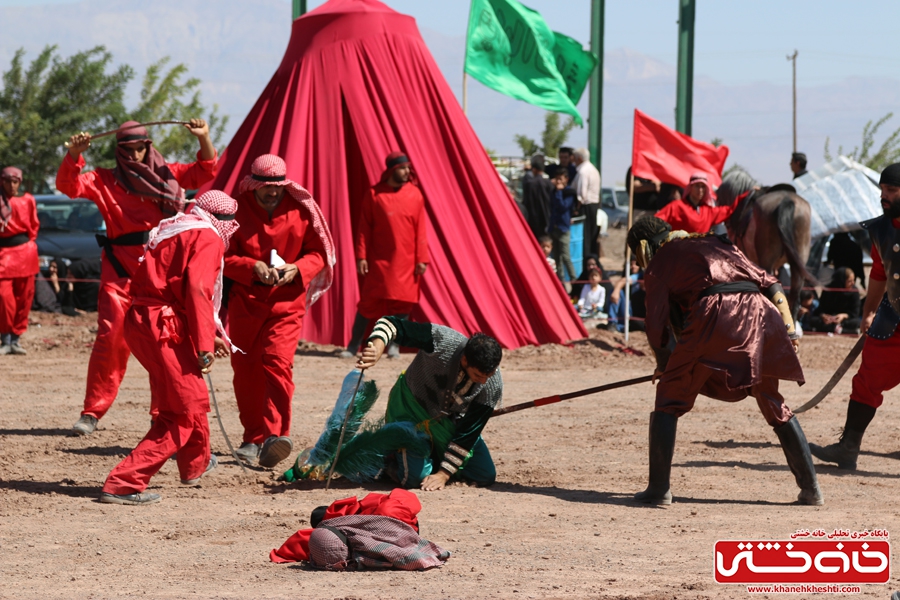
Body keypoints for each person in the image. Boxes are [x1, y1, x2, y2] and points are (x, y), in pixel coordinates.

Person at [626, 216, 823, 506]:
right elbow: (770, 283)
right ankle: (811, 489)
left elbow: (655, 325)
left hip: (715, 314)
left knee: (669, 397)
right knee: (770, 398)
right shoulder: (715, 241)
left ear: (643, 247)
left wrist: (664, 365)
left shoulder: (661, 261)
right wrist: (789, 326)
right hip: (761, 315)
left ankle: (658, 490)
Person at [59, 120, 218, 436]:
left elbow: (205, 170)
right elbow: (69, 186)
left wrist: (204, 138)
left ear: (149, 145)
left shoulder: (168, 174)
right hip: (119, 270)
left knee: (164, 340)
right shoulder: (105, 180)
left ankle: (162, 413)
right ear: (119, 151)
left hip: (160, 272)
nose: (134, 154)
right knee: (110, 339)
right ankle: (92, 412)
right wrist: (74, 155)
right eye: (127, 150)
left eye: (139, 147)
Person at [99, 190, 239, 505]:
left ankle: (195, 465)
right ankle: (123, 483)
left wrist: (206, 337)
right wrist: (203, 344)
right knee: (184, 411)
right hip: (164, 327)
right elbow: (196, 289)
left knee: (189, 396)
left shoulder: (174, 229)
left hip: (144, 321)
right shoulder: (209, 237)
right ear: (222, 221)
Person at [225, 154, 335, 468]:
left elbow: (318, 251)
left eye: (278, 186)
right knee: (245, 371)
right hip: (246, 302)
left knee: (278, 363)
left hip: (287, 302)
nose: (273, 191)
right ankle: (252, 437)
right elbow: (221, 255)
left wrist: (297, 268)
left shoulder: (300, 210)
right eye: (266, 186)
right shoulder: (235, 210)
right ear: (253, 184)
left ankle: (275, 436)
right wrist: (252, 266)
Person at [809, 163, 900, 470]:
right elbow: (878, 272)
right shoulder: (879, 228)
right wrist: (870, 309)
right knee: (867, 380)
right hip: (893, 320)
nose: (883, 197)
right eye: (882, 191)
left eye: (891, 191)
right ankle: (848, 448)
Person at [357, 316, 503, 491]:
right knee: (413, 479)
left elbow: (468, 432)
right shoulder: (442, 341)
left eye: (490, 374)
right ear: (465, 360)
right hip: (410, 407)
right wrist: (378, 347)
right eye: (479, 376)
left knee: (484, 474)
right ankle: (389, 460)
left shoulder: (493, 384)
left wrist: (444, 474)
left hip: (448, 421)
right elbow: (391, 324)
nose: (484, 381)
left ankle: (431, 458)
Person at [342, 152, 428, 359]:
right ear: (391, 170)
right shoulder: (374, 194)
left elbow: (421, 229)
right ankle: (353, 346)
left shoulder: (415, 194)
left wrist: (422, 259)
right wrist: (361, 256)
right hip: (379, 260)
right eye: (403, 168)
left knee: (403, 302)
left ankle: (394, 346)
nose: (407, 172)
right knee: (368, 302)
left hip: (407, 259)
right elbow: (364, 228)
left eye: (408, 168)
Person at [0, 167, 38, 355]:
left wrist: (27, 245)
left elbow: (34, 226)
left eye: (15, 182)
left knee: (25, 297)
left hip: (25, 253)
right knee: (4, 298)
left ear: (20, 183)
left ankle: (16, 339)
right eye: (8, 181)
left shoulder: (28, 200)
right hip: (3, 253)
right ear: (2, 182)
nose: (12, 185)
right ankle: (4, 338)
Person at [654, 172, 743, 234]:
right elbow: (655, 222)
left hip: (699, 256)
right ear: (690, 187)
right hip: (678, 255)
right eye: (697, 186)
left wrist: (749, 194)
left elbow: (730, 210)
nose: (700, 190)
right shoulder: (676, 207)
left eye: (703, 186)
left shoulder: (708, 212)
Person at [808, 267, 861, 334]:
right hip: (829, 319)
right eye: (849, 281)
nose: (853, 283)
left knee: (856, 322)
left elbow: (855, 313)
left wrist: (843, 316)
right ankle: (840, 330)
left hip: (844, 320)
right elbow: (820, 309)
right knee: (812, 320)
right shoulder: (828, 289)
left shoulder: (854, 292)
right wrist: (824, 316)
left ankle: (833, 329)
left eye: (853, 280)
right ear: (842, 280)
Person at [571, 148, 601, 261]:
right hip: (593, 206)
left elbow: (581, 194)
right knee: (591, 235)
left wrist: (577, 208)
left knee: (585, 236)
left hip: (586, 206)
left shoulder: (583, 172)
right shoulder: (593, 169)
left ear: (579, 158)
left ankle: (586, 260)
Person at [549, 168, 577, 285]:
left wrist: (559, 192)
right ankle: (560, 282)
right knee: (556, 258)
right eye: (557, 179)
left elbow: (563, 206)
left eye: (561, 179)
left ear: (566, 179)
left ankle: (574, 280)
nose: (558, 182)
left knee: (566, 256)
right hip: (554, 228)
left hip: (563, 228)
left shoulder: (569, 193)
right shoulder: (554, 191)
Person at [521, 154, 554, 239]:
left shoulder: (529, 184)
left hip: (532, 219)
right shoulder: (548, 184)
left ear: (534, 169)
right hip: (546, 218)